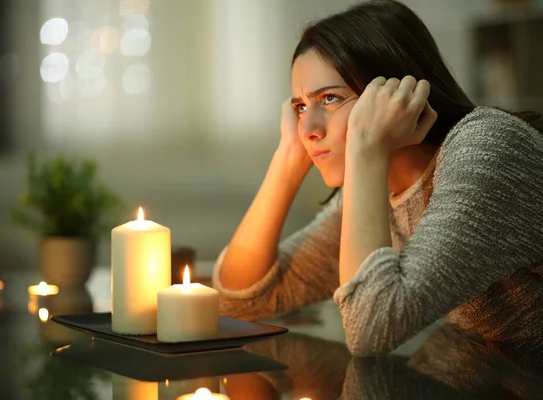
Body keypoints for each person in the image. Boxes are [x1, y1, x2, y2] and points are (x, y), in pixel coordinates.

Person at [212, 0, 543, 357]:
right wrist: (289, 157)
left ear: (397, 95)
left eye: (330, 98)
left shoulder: (487, 146)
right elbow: (240, 301)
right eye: (300, 107)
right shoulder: (375, 187)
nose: (307, 128)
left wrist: (366, 150)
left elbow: (371, 331)